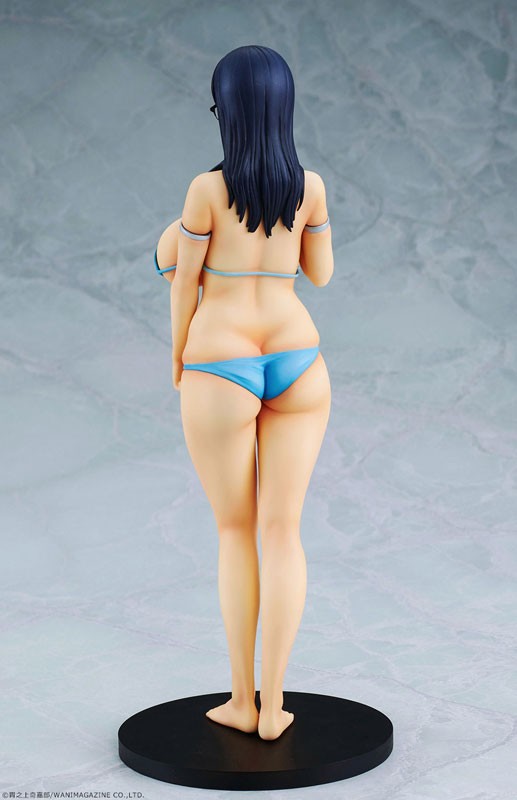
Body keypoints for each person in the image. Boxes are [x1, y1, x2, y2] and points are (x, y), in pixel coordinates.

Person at [154, 45, 333, 741]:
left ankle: (240, 700)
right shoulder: (309, 186)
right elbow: (320, 273)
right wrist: (306, 223)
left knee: (235, 530)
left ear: (223, 111)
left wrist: (178, 357)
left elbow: (182, 283)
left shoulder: (205, 191)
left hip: (221, 361)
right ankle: (276, 705)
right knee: (283, 530)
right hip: (297, 357)